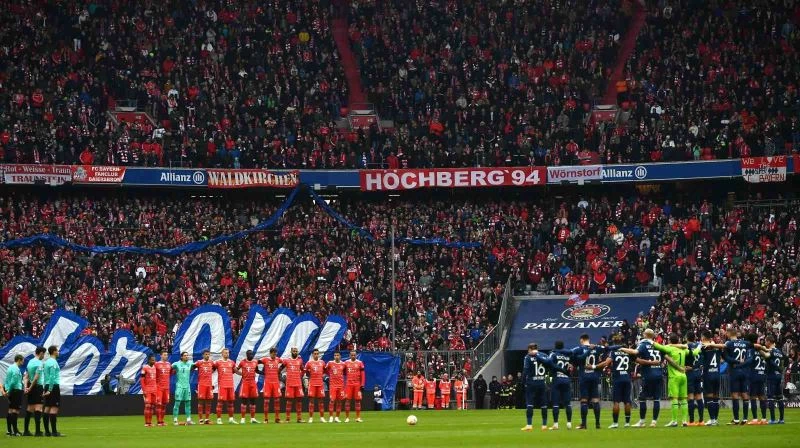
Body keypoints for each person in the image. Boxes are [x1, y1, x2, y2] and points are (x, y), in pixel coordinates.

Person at [652, 333, 700, 427]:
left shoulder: (670, 349)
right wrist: (699, 346)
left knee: (674, 399)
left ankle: (674, 421)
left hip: (674, 377)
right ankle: (684, 421)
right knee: (683, 399)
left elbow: (656, 345)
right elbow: (694, 353)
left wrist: (649, 339)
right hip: (683, 376)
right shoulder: (683, 350)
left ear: (670, 341)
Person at [520, 343, 566, 431]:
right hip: (542, 382)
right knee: (544, 404)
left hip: (531, 382)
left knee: (530, 403)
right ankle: (544, 425)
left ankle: (529, 425)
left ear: (530, 349)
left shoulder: (528, 357)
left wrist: (522, 382)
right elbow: (550, 365)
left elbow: (525, 370)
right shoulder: (544, 355)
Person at [572, 334, 608, 429]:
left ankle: (584, 424)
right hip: (594, 376)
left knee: (584, 400)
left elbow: (573, 355)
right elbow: (607, 348)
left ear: (581, 340)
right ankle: (597, 424)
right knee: (595, 400)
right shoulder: (597, 348)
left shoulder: (579, 349)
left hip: (584, 376)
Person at [632, 329, 663, 427]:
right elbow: (664, 358)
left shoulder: (643, 344)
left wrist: (636, 359)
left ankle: (642, 421)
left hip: (648, 375)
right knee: (656, 398)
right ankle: (654, 422)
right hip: (658, 374)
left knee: (642, 398)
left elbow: (635, 353)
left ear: (645, 335)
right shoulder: (658, 345)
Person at [723, 326, 754, 425]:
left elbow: (726, 357)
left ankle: (736, 419)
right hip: (744, 371)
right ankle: (745, 419)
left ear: (729, 333)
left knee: (735, 394)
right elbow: (753, 346)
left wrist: (736, 361)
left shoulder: (728, 343)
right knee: (745, 394)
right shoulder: (745, 343)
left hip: (734, 370)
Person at [607, 336, 638, 428]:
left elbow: (607, 362)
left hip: (617, 378)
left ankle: (615, 423)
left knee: (616, 402)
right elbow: (636, 360)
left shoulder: (613, 352)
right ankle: (627, 422)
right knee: (627, 401)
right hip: (627, 379)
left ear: (614, 343)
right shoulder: (627, 351)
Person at [760, 335, 786, 424]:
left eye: (766, 341)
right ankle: (781, 419)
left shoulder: (771, 351)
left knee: (770, 398)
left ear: (769, 342)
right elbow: (782, 365)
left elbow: (766, 356)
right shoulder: (779, 352)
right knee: (779, 398)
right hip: (779, 376)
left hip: (771, 376)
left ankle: (773, 419)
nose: (765, 343)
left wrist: (759, 349)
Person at [700, 330, 723, 426]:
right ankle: (715, 419)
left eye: (701, 337)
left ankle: (712, 419)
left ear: (704, 337)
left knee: (709, 397)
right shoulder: (717, 348)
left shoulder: (703, 348)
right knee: (716, 397)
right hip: (717, 374)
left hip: (708, 374)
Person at [549, 341, 574, 430]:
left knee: (555, 402)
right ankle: (569, 423)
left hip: (557, 379)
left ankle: (556, 424)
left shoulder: (553, 354)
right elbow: (571, 366)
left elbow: (550, 364)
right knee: (567, 403)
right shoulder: (567, 355)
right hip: (566, 379)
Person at [22, 346, 45, 436]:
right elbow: (36, 378)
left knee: (30, 408)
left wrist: (26, 388)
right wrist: (30, 388)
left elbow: (26, 376)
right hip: (37, 387)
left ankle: (26, 431)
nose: (44, 356)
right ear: (41, 353)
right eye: (44, 354)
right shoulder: (39, 363)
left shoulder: (30, 362)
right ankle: (38, 431)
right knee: (38, 407)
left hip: (30, 387)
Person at [746, 335, 768, 425]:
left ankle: (755, 419)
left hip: (754, 375)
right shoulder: (761, 350)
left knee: (753, 397)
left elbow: (750, 361)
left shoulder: (751, 350)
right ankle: (764, 419)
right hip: (761, 375)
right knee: (762, 396)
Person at [258, 347, 283, 423]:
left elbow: (285, 363)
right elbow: (256, 362)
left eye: (276, 353)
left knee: (277, 400)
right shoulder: (265, 360)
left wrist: (279, 370)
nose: (275, 355)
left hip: (276, 383)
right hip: (268, 383)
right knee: (266, 401)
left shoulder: (278, 359)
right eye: (274, 353)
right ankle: (266, 419)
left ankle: (277, 419)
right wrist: (259, 372)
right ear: (270, 353)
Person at [1, 354, 24, 436]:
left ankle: (9, 430)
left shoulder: (10, 367)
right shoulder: (16, 369)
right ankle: (15, 431)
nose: (23, 362)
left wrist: (6, 390)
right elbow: (13, 382)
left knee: (10, 410)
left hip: (11, 391)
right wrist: (9, 391)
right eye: (22, 360)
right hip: (16, 391)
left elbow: (7, 380)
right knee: (15, 411)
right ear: (19, 360)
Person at [42, 345, 63, 436]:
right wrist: (50, 389)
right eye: (57, 350)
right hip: (53, 386)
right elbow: (52, 376)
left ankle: (47, 432)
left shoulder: (46, 362)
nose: (58, 352)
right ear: (54, 352)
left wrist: (45, 388)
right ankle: (54, 432)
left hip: (47, 385)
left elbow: (45, 376)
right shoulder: (53, 363)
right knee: (54, 407)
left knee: (47, 407)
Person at [235, 350, 260, 424]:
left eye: (252, 354)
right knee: (244, 401)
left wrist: (264, 373)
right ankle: (243, 418)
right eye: (249, 354)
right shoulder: (243, 362)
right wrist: (241, 374)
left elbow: (257, 371)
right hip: (245, 383)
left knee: (253, 401)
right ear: (246, 355)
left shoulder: (255, 362)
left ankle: (252, 418)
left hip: (253, 383)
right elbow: (236, 369)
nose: (251, 355)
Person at [685, 333, 704, 425]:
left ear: (687, 338)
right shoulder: (699, 346)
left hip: (690, 373)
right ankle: (701, 420)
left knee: (690, 396)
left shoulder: (685, 346)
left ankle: (691, 421)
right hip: (698, 372)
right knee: (699, 396)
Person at [214, 348, 237, 425]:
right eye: (225, 353)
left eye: (228, 353)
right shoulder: (218, 362)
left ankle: (231, 419)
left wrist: (244, 374)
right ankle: (219, 419)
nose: (227, 354)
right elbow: (212, 370)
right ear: (222, 354)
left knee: (231, 402)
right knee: (220, 402)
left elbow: (235, 371)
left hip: (230, 384)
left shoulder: (232, 362)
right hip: (222, 385)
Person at [282, 347, 305, 423]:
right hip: (290, 384)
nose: (295, 352)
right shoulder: (286, 361)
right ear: (291, 352)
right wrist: (283, 379)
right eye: (294, 351)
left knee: (299, 401)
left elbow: (303, 370)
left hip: (298, 384)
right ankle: (287, 419)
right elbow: (279, 370)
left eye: (296, 351)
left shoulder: (300, 361)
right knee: (289, 401)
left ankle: (299, 418)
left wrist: (300, 376)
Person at [192, 350, 215, 425]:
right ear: (203, 355)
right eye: (206, 354)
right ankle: (200, 419)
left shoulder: (211, 362)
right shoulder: (199, 362)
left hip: (209, 385)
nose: (207, 356)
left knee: (209, 402)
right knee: (201, 402)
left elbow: (214, 368)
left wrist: (211, 371)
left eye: (208, 354)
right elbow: (192, 367)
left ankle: (207, 419)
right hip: (201, 384)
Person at [171, 351, 193, 425]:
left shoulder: (190, 364)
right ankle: (175, 419)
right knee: (177, 403)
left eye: (187, 355)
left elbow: (197, 365)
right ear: (181, 357)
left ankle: (189, 419)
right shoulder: (176, 364)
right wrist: (173, 372)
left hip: (187, 386)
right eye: (185, 355)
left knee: (188, 403)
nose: (187, 356)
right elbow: (170, 369)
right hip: (179, 386)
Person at [305, 348, 326, 422]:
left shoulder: (322, 362)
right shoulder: (309, 363)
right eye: (315, 354)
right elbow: (306, 372)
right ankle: (311, 418)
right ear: (312, 355)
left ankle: (322, 417)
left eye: (317, 354)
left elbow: (325, 371)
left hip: (320, 384)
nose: (316, 355)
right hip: (312, 384)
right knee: (311, 401)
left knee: (321, 401)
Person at [343, 350, 365, 422]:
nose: (353, 356)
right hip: (349, 384)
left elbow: (363, 375)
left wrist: (362, 384)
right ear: (349, 355)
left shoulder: (359, 363)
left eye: (354, 355)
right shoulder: (346, 363)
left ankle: (358, 417)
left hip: (357, 385)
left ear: (356, 355)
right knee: (347, 401)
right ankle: (347, 418)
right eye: (352, 355)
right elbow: (342, 372)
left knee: (357, 401)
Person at [325, 352, 346, 422]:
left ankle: (337, 417)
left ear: (340, 356)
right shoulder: (330, 363)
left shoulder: (343, 364)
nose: (336, 356)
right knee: (332, 400)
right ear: (333, 356)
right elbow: (325, 369)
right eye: (335, 355)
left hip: (341, 386)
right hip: (333, 385)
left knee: (339, 401)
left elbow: (345, 372)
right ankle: (331, 417)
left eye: (337, 355)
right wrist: (330, 375)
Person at [154, 350, 172, 426]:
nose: (166, 356)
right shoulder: (156, 364)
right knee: (159, 404)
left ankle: (162, 421)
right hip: (159, 387)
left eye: (167, 355)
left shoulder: (169, 364)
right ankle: (159, 421)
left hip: (166, 387)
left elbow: (170, 373)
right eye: (164, 355)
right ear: (160, 355)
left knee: (164, 404)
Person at [140, 355, 158, 427]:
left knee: (152, 406)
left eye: (154, 360)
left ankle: (150, 422)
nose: (154, 361)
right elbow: (142, 380)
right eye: (152, 360)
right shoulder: (145, 368)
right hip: (147, 390)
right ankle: (146, 423)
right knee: (147, 406)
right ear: (149, 360)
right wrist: (144, 390)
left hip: (154, 389)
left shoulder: (155, 367)